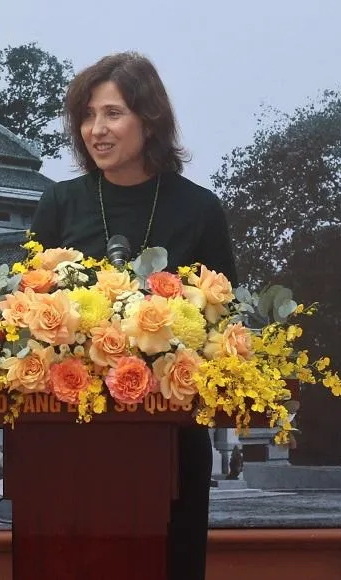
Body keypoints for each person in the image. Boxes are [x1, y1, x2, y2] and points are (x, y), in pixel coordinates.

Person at [29, 50, 238, 580]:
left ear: (150, 120)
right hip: (69, 442)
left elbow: (222, 322)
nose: (96, 130)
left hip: (168, 443)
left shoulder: (199, 209)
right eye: (87, 115)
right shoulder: (59, 204)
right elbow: (26, 310)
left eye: (113, 114)